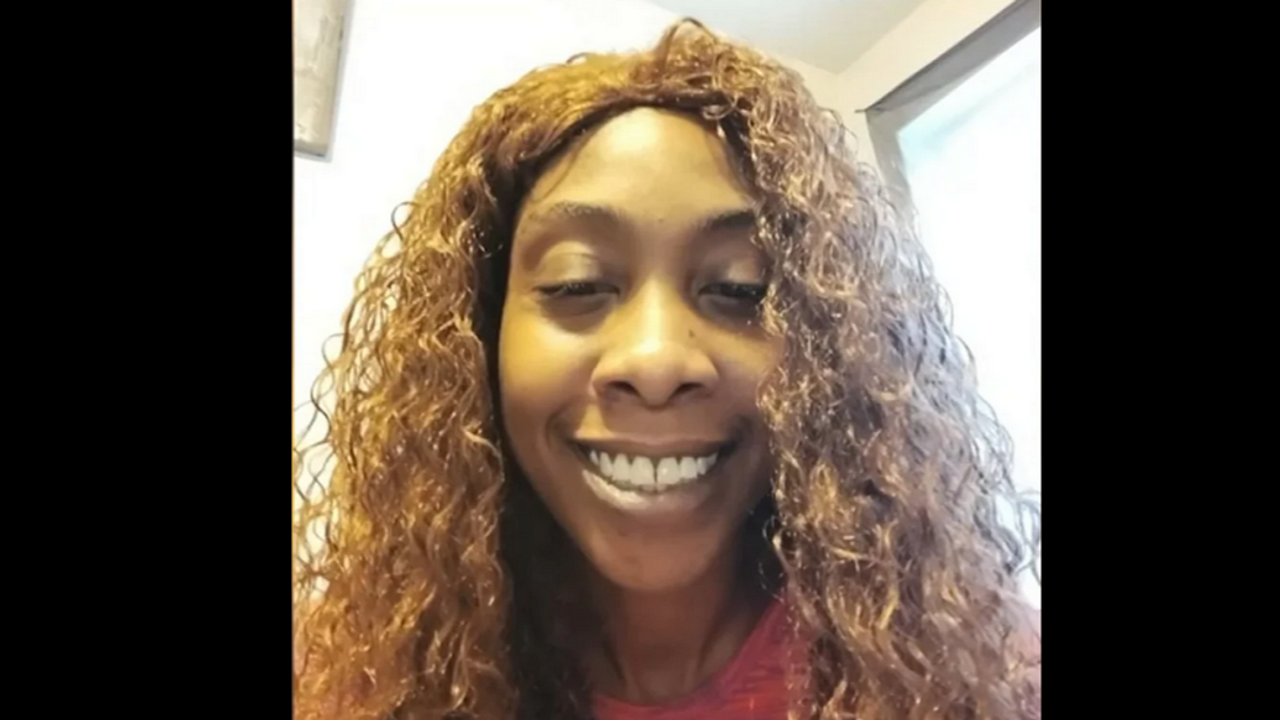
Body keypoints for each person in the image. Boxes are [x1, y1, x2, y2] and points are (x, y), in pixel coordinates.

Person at [293, 19, 1041, 720]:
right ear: (481, 337)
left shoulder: (981, 673)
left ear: (829, 348)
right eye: (578, 284)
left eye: (741, 288)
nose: (656, 362)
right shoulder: (347, 672)